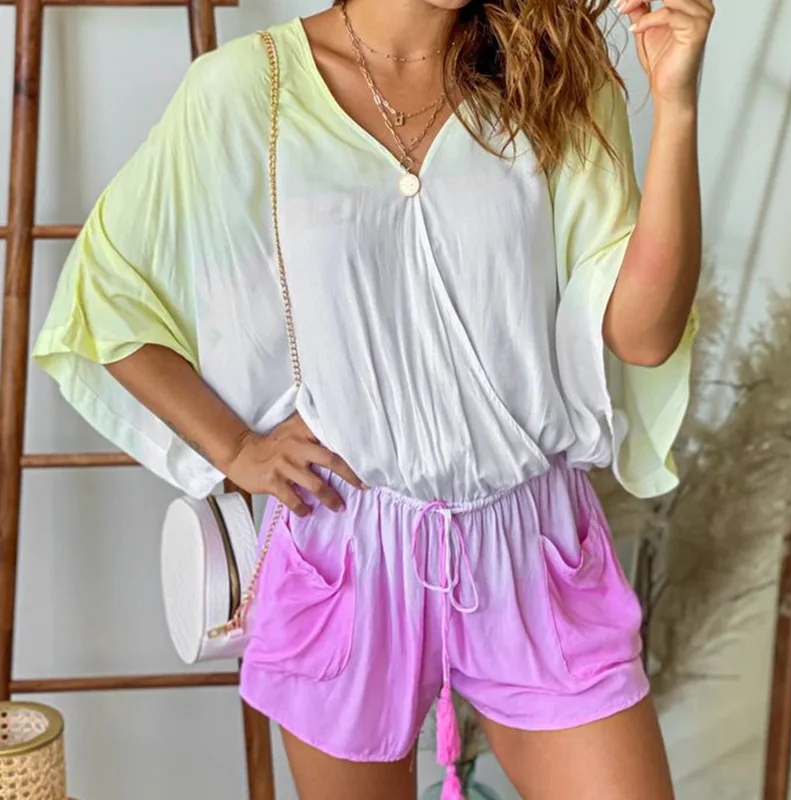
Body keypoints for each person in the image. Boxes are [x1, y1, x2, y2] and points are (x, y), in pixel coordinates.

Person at [34, 0, 712, 797]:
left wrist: (677, 105)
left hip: (531, 542)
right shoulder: (249, 90)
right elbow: (107, 295)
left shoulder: (550, 76)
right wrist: (236, 448)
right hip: (346, 543)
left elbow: (643, 336)